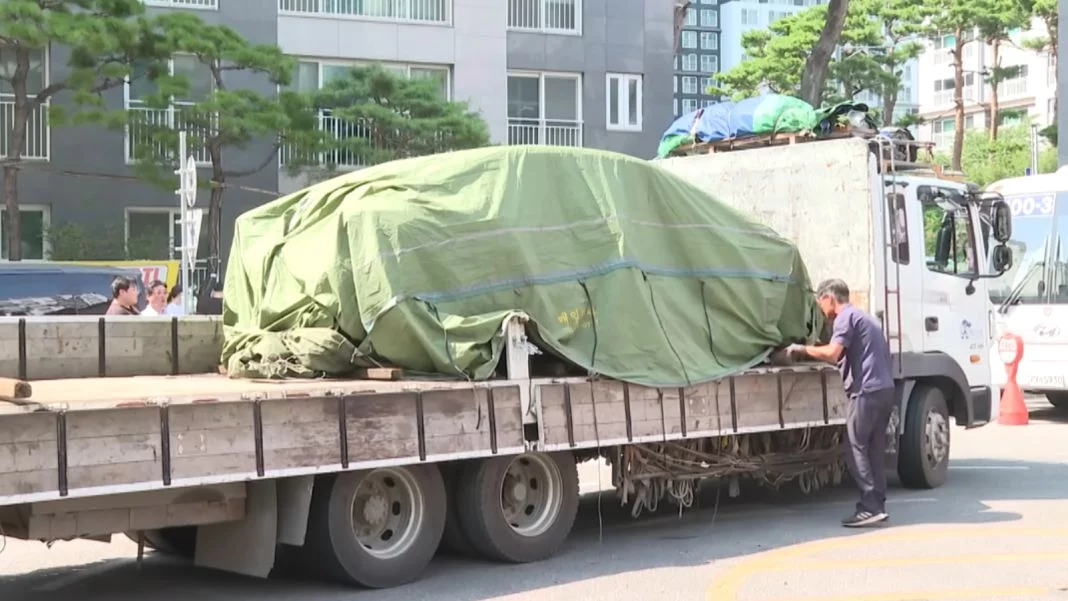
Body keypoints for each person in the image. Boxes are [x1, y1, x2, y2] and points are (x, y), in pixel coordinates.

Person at [786, 278, 896, 528]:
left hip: (866, 392)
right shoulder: (865, 318)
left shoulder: (845, 318)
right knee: (874, 450)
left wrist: (801, 349)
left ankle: (869, 506)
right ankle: (877, 504)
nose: (820, 309)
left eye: (820, 302)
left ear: (830, 298)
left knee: (855, 446)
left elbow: (833, 352)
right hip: (885, 390)